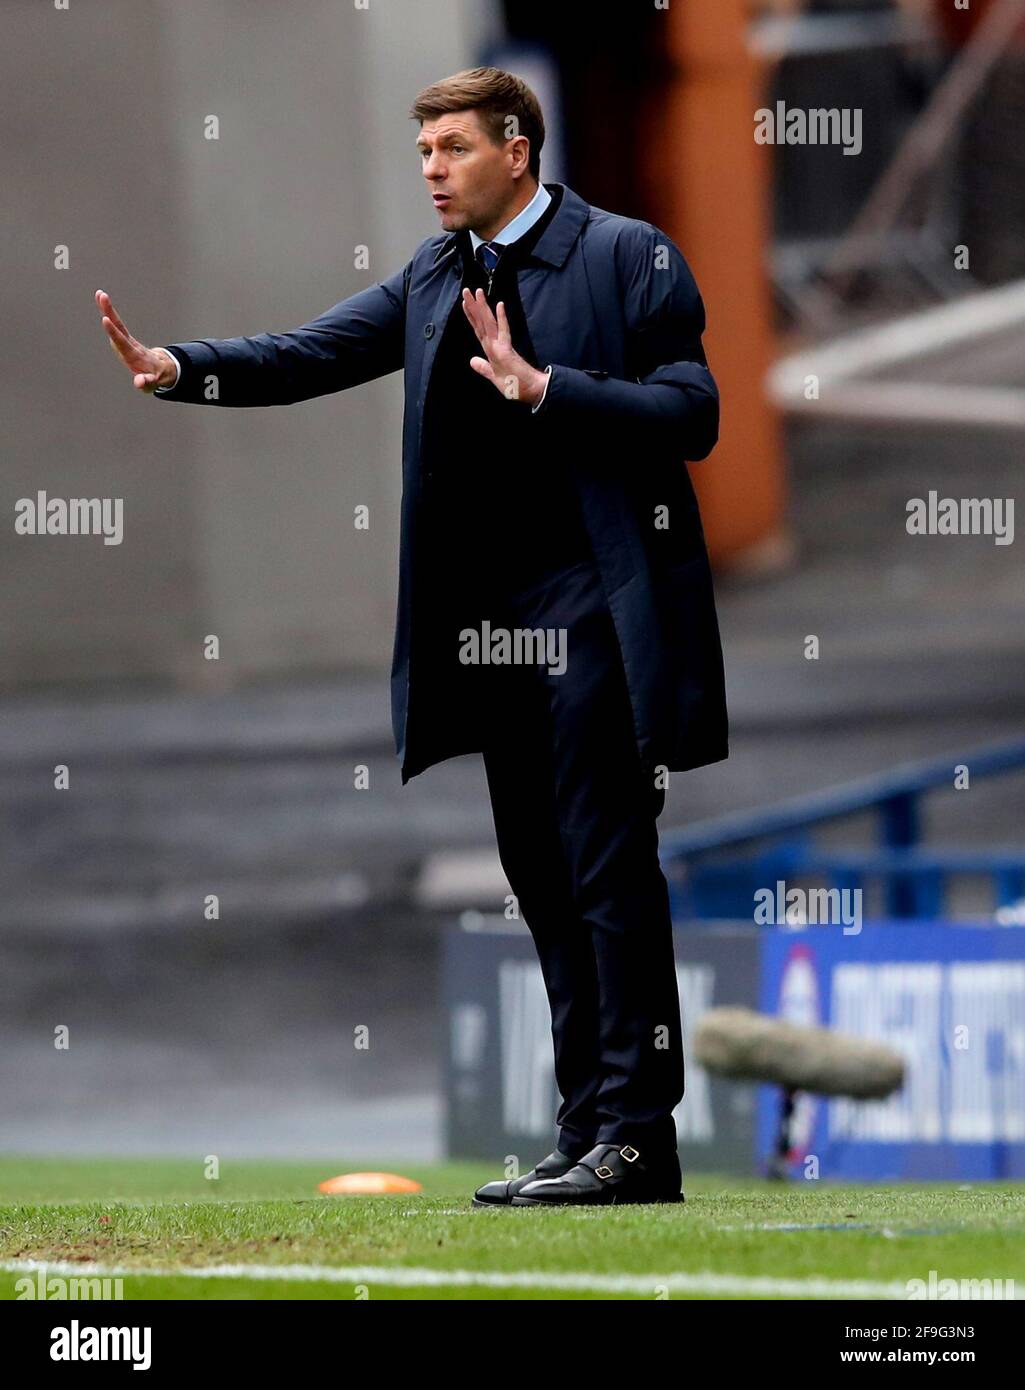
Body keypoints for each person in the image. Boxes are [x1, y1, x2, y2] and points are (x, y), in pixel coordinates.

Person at [96, 66, 727, 1207]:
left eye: (450, 148)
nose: (430, 170)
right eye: (423, 151)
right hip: (492, 626)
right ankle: (586, 1128)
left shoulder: (626, 254)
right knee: (539, 877)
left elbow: (694, 412)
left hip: (598, 600)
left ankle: (638, 1139)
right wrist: (183, 369)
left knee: (605, 871)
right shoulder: (440, 274)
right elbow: (314, 351)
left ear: (517, 148)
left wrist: (548, 391)